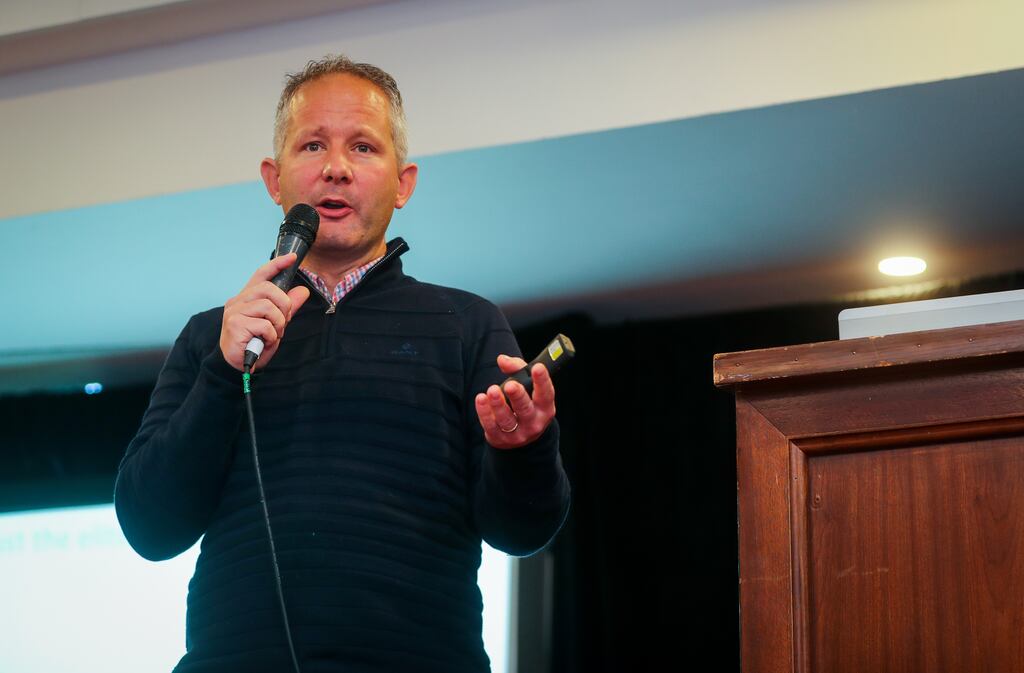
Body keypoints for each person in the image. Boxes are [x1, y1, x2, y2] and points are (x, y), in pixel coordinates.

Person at [114, 55, 571, 673]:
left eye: (362, 146)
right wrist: (224, 375)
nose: (335, 167)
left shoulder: (465, 325)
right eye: (312, 145)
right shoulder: (212, 337)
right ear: (274, 181)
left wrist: (522, 451)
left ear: (403, 183)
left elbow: (522, 532)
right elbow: (149, 527)